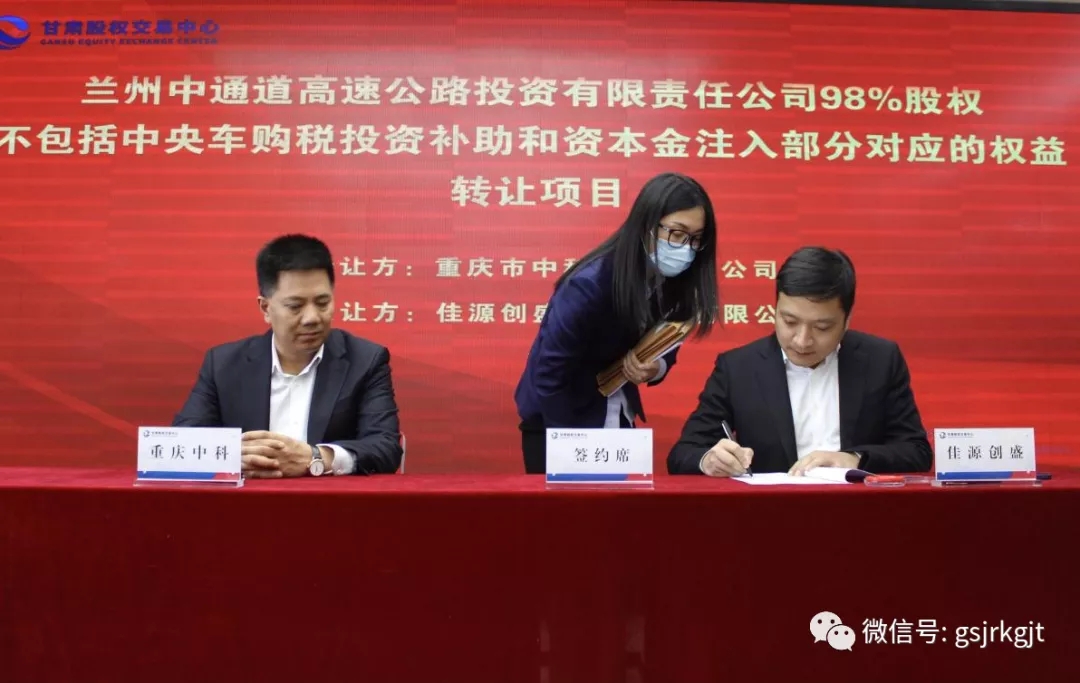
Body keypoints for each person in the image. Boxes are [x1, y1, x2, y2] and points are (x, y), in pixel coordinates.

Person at [515, 172, 722, 474]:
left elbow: (667, 344)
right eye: (677, 234)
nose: (686, 247)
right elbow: (549, 374)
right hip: (559, 422)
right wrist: (570, 447)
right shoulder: (589, 285)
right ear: (646, 224)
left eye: (696, 238)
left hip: (617, 417)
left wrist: (654, 367)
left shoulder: (674, 283)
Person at [668, 246, 933, 477]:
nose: (802, 341)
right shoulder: (738, 368)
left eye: (822, 327)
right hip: (772, 512)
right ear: (775, 309)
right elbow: (684, 453)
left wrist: (855, 459)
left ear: (847, 320)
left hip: (858, 510)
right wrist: (710, 460)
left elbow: (916, 451)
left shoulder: (880, 360)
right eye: (790, 322)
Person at [173, 234, 403, 477]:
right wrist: (232, 454)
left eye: (322, 303)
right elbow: (182, 444)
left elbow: (385, 447)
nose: (312, 318)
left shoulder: (366, 361)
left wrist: (317, 458)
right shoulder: (223, 365)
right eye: (295, 306)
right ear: (265, 308)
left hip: (330, 499)